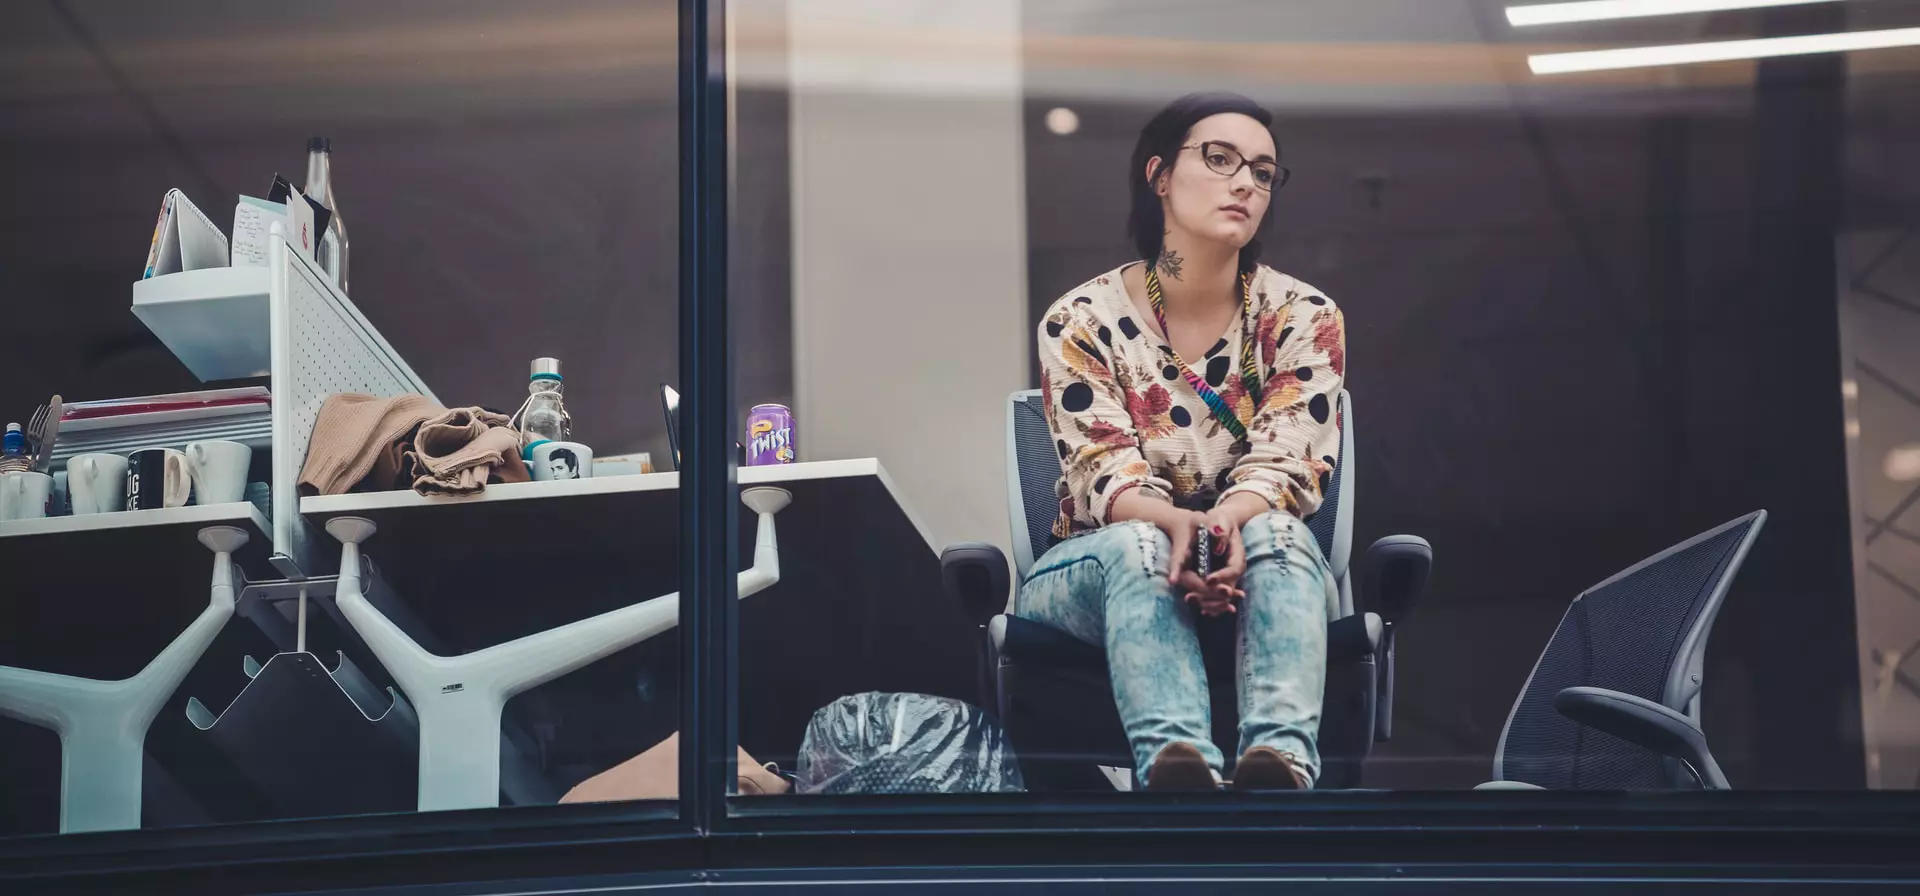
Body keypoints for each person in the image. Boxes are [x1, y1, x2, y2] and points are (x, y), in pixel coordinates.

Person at [1023, 92, 1344, 792]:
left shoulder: (1303, 316)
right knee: (1141, 546)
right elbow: (1104, 476)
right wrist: (1176, 528)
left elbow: (1288, 462)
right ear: (1160, 175)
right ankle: (1180, 773)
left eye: (1263, 172)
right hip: (1102, 565)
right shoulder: (1082, 318)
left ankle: (1279, 769)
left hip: (1258, 555)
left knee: (1282, 534)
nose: (1245, 184)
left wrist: (1222, 527)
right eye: (1220, 159)